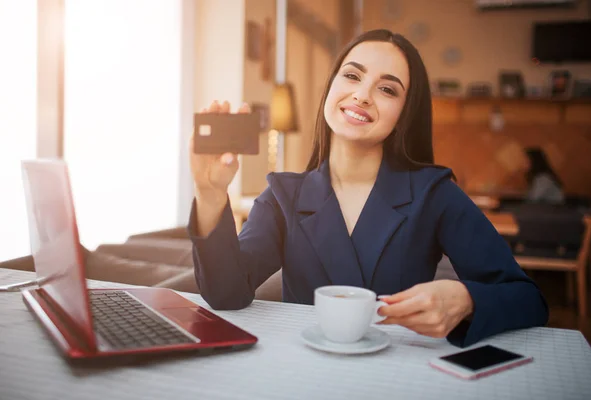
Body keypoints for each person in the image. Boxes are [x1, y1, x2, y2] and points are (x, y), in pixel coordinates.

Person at [187, 29, 548, 348]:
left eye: (387, 89)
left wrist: (467, 299)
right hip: (301, 376)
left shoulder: (434, 194)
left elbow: (528, 299)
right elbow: (226, 293)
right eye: (351, 76)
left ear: (405, 113)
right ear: (331, 87)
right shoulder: (284, 196)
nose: (362, 95)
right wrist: (210, 194)